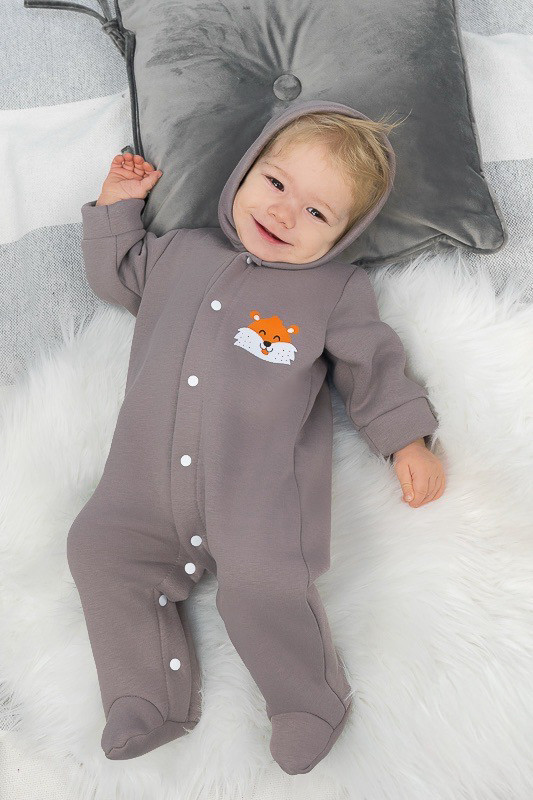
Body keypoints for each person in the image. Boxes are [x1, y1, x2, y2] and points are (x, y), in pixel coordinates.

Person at [67, 99, 445, 775]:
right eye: (275, 183)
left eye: (317, 213)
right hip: (142, 488)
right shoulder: (180, 253)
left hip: (256, 497)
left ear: (344, 235)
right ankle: (145, 697)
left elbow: (373, 365)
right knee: (99, 549)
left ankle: (307, 703)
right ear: (243, 172)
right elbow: (116, 275)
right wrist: (117, 205)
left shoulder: (332, 292)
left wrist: (406, 440)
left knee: (264, 585)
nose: (283, 213)